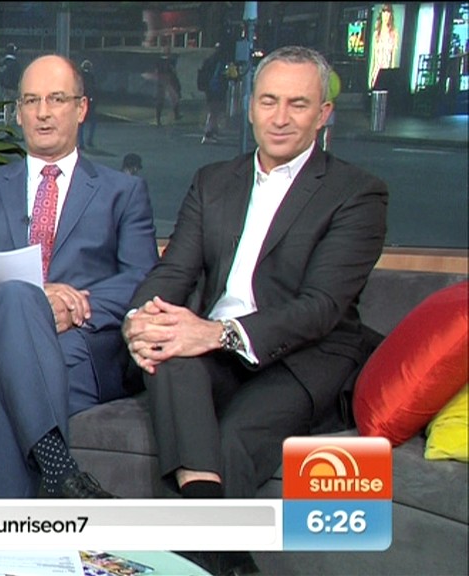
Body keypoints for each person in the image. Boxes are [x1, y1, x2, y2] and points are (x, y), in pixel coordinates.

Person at [122, 45, 387, 575]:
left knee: (234, 438)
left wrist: (216, 333)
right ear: (250, 106)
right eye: (269, 101)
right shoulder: (214, 180)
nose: (280, 117)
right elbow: (174, 273)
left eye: (297, 104)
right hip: (215, 353)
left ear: (323, 114)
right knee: (167, 352)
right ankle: (224, 554)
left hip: (303, 357)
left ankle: (200, 556)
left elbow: (321, 308)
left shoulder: (357, 194)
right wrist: (140, 320)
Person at [0, 54, 159, 498]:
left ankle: (35, 498)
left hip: (79, 343)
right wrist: (36, 297)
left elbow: (142, 278)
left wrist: (75, 306)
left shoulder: (123, 192)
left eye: (56, 99)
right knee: (18, 297)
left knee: (6, 382)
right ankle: (58, 469)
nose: (42, 112)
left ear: (81, 108)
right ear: (18, 113)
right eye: (31, 100)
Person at [199, 43, 229, 144]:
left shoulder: (210, 60)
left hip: (210, 89)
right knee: (213, 113)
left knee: (213, 112)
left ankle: (212, 132)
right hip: (216, 89)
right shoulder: (220, 61)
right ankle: (208, 134)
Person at [370, 4, 398, 89]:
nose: (386, 15)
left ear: (390, 15)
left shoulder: (394, 34)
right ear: (381, 14)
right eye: (384, 12)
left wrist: (392, 77)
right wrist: (370, 76)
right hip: (376, 73)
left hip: (386, 74)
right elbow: (373, 58)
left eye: (388, 12)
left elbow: (393, 59)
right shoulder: (376, 34)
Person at [153, 52, 182, 126]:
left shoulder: (159, 61)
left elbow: (156, 71)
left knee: (161, 99)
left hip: (162, 80)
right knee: (174, 98)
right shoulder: (171, 61)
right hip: (169, 80)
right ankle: (176, 115)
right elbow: (173, 71)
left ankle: (158, 119)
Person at [0, 43, 21, 127]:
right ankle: (12, 120)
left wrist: (1, 85)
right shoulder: (16, 64)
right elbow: (19, 76)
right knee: (20, 103)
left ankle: (7, 123)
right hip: (14, 88)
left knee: (7, 106)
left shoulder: (2, 62)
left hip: (4, 88)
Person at [78, 59, 98, 150]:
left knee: (81, 124)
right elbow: (94, 89)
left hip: (84, 101)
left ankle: (82, 142)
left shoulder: (81, 77)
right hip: (89, 101)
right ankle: (88, 140)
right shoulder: (90, 77)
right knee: (91, 123)